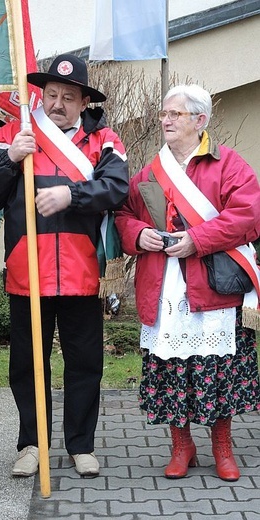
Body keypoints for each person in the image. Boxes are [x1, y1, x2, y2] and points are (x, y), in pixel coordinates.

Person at [0, 53, 129, 477]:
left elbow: (116, 188)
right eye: (51, 94)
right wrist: (9, 159)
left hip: (81, 273)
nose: (57, 103)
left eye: (68, 97)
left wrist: (71, 196)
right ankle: (31, 444)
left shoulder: (104, 139)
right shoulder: (14, 133)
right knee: (27, 365)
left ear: (83, 102)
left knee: (85, 363)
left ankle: (80, 445)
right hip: (28, 273)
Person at [115, 84, 260, 481]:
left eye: (175, 114)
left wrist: (197, 240)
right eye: (164, 113)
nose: (165, 120)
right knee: (169, 371)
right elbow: (124, 216)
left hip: (213, 287)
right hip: (164, 289)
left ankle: (223, 449)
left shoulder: (229, 165)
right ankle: (182, 447)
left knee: (217, 371)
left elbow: (249, 217)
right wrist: (137, 234)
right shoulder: (150, 172)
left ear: (200, 121)